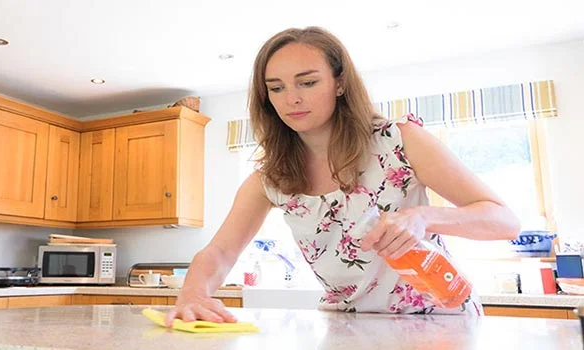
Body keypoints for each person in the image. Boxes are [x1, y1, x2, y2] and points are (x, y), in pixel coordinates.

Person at [165, 26, 520, 326]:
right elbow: (219, 253)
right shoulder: (271, 178)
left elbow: (504, 221)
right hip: (349, 329)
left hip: (440, 321)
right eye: (276, 88)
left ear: (339, 83)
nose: (291, 99)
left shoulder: (400, 141)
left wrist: (425, 217)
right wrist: (193, 294)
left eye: (306, 82)